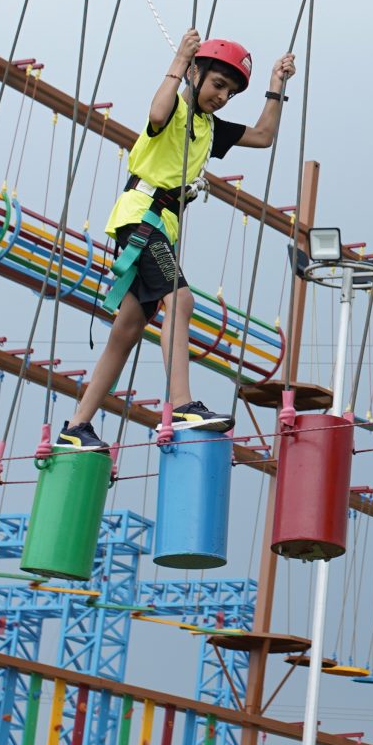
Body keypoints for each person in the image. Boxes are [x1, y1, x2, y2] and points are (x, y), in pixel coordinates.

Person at [55, 29, 295, 452]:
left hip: (160, 226)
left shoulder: (206, 126)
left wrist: (276, 87)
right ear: (195, 73)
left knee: (127, 330)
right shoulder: (176, 110)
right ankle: (182, 404)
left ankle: (76, 425)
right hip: (140, 218)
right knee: (179, 299)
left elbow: (263, 137)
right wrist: (178, 64)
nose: (222, 97)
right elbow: (157, 111)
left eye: (230, 93)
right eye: (218, 85)